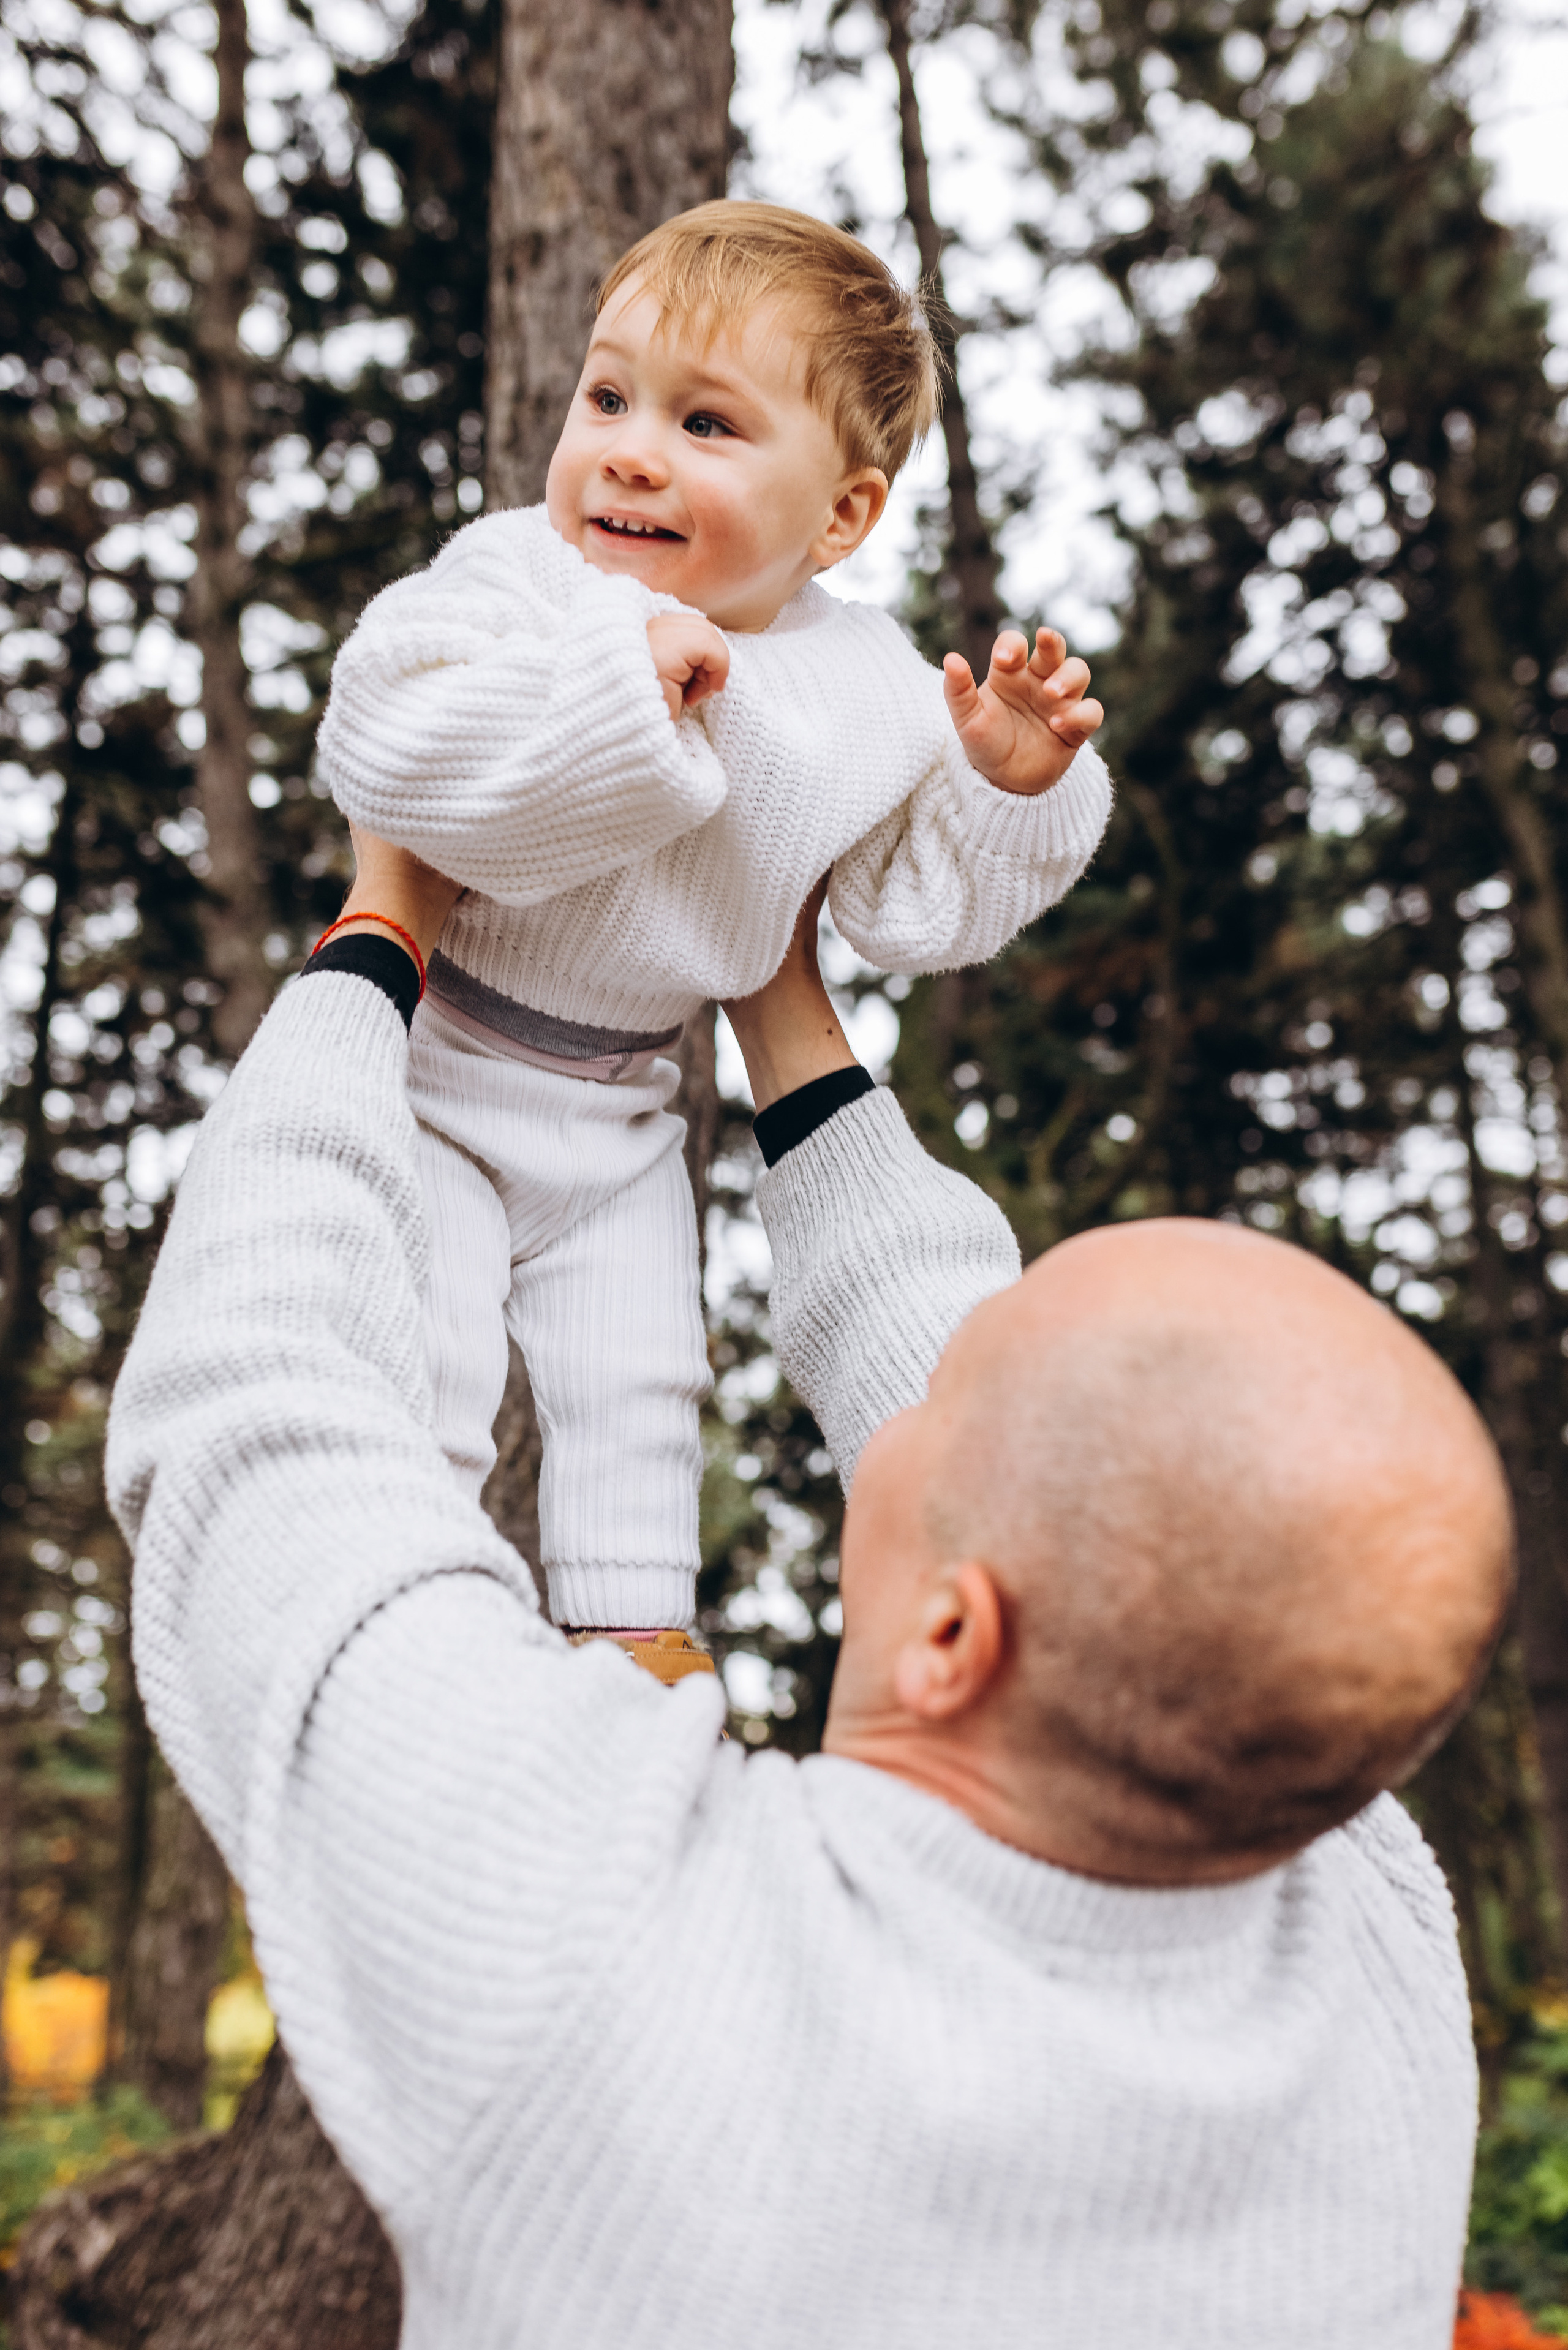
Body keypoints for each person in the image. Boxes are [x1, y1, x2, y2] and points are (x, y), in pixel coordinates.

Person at [109, 854, 1510, 2348]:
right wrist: (780, 1000)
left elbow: (258, 1407)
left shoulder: (597, 1941)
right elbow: (1068, 1472)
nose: (915, 1385)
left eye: (950, 1389)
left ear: (957, 1638)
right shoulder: (1370, 1935)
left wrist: (378, 927)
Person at [306, 199, 1112, 1649]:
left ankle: (639, 1642)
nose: (627, 447)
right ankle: (394, 1609)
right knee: (414, 1346)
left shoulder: (860, 685)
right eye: (607, 397)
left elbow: (911, 907)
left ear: (843, 516)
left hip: (626, 1105)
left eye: (706, 425)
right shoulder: (520, 581)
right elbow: (386, 738)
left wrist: (1003, 790)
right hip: (439, 1065)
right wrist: (618, 695)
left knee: (641, 1376)